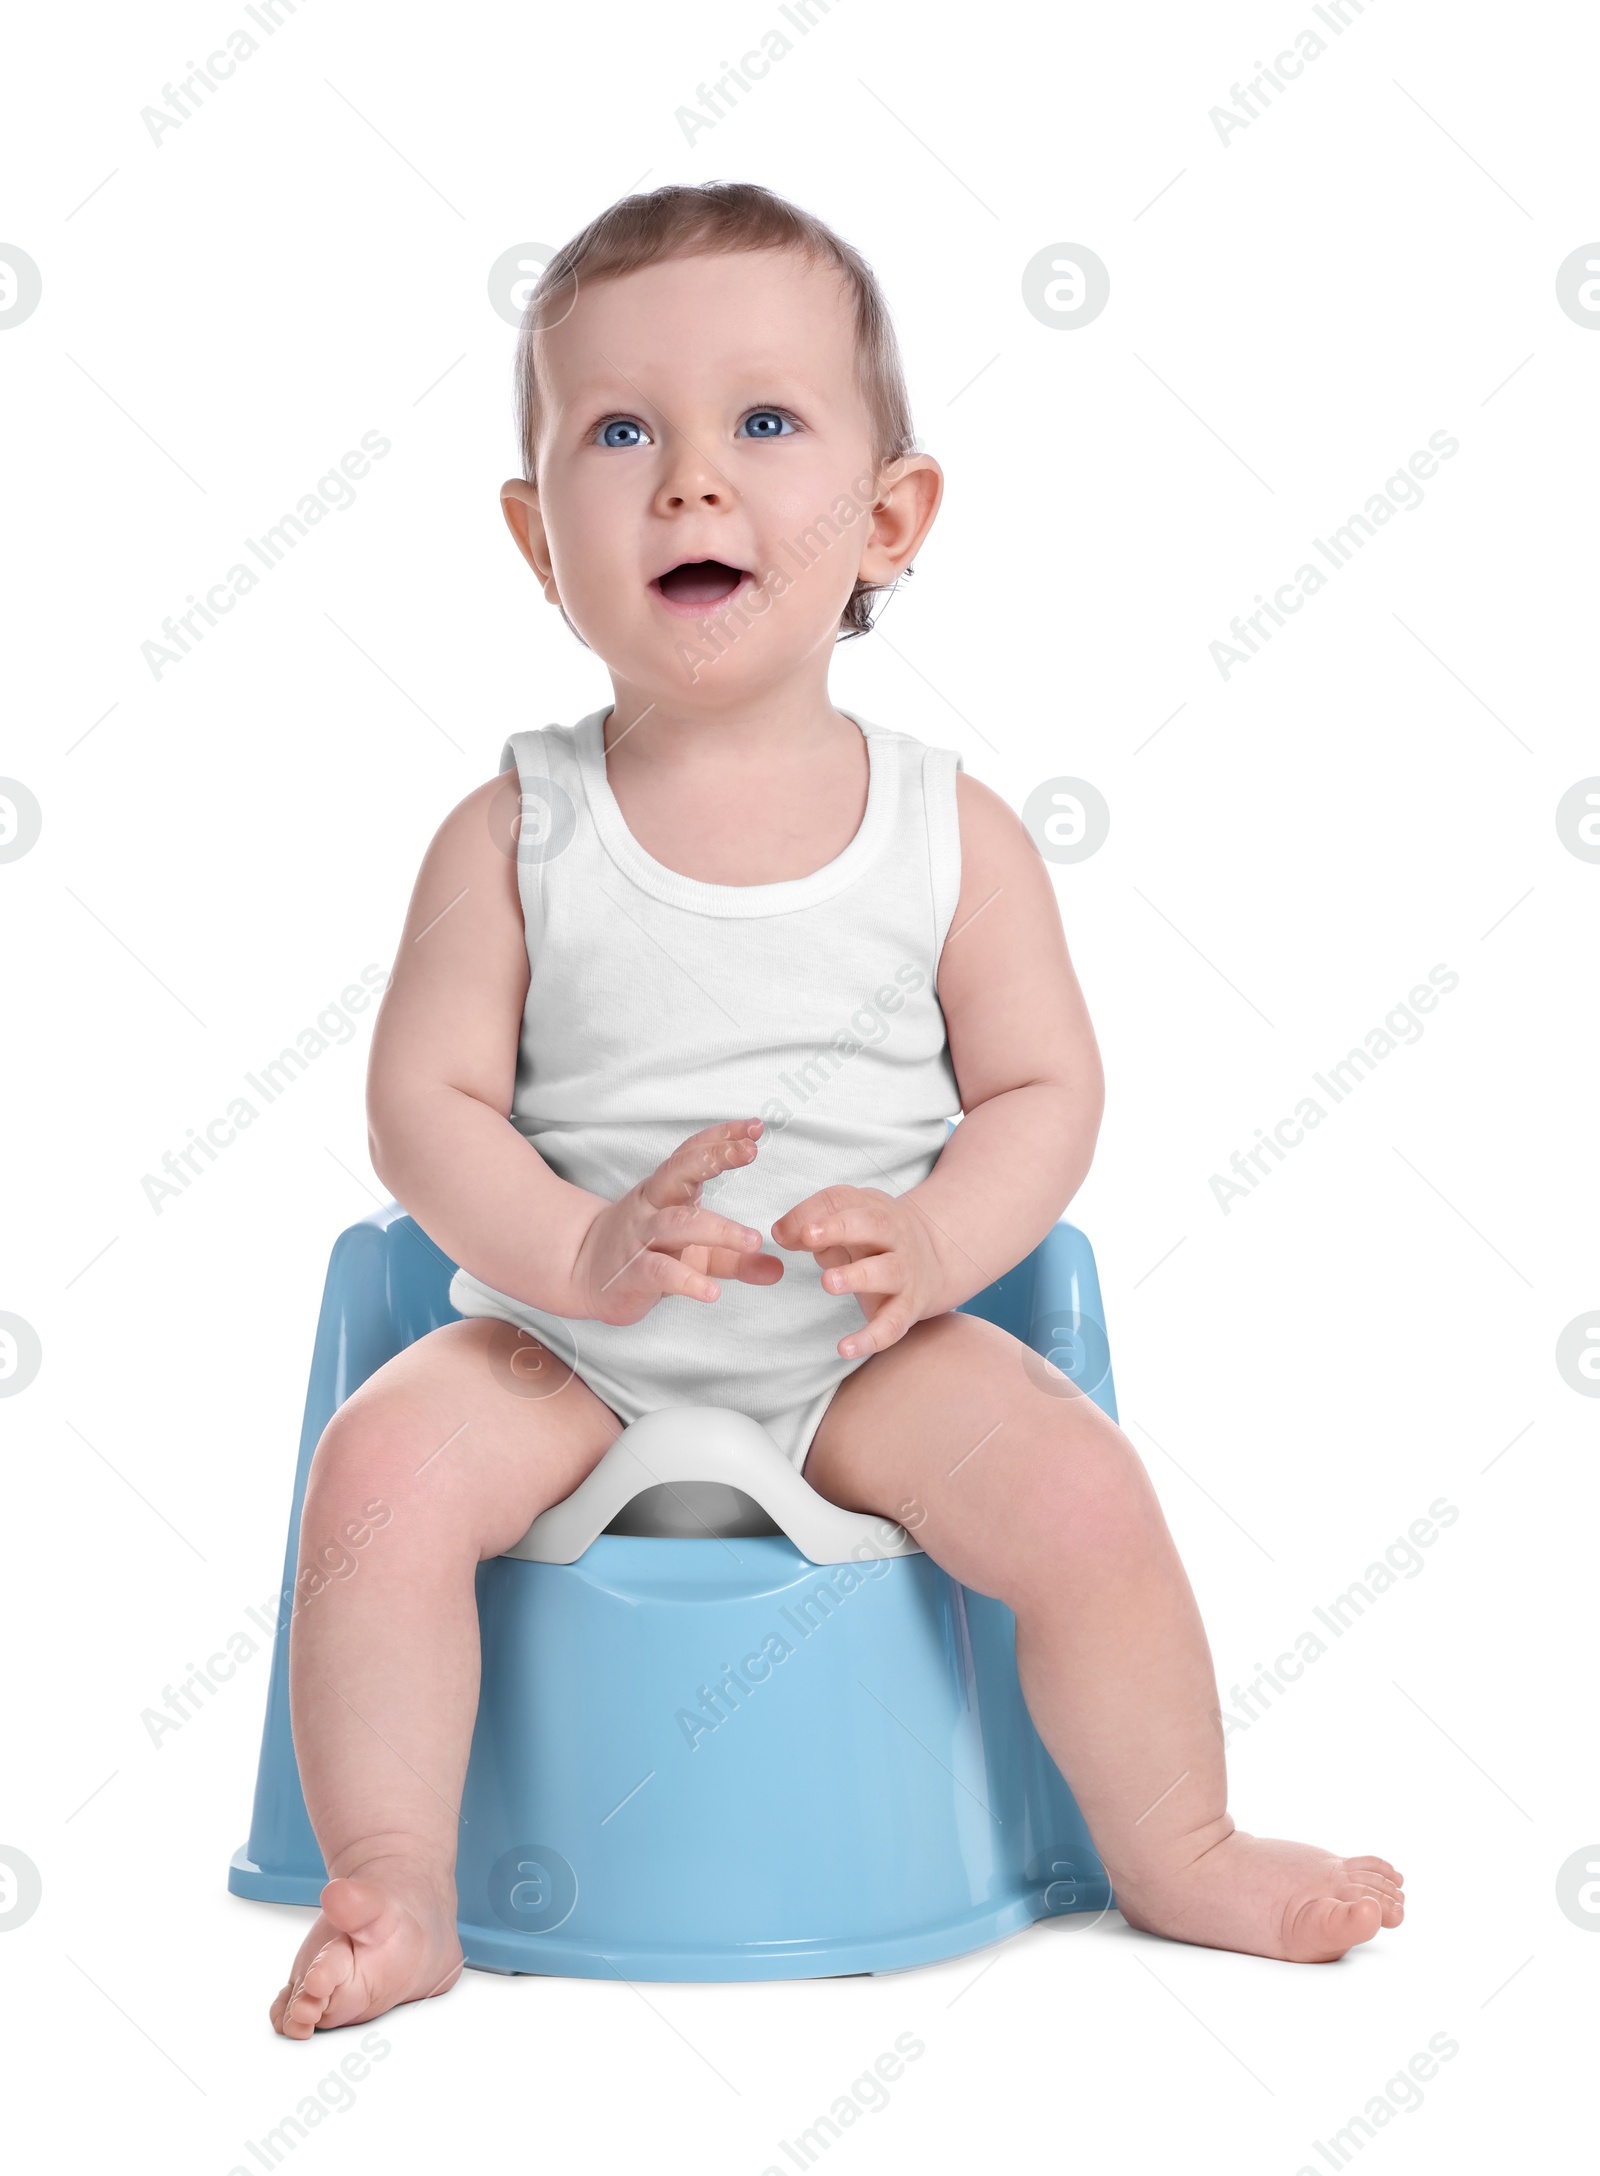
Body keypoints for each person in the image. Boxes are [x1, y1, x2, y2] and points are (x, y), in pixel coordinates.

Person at [271, 181, 1403, 2038]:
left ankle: (1177, 1842)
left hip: (871, 1351)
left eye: (764, 423)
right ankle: (396, 1882)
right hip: (567, 1347)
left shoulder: (948, 830)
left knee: (1081, 1499)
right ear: (532, 537)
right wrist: (580, 1246)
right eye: (618, 431)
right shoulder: (513, 831)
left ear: (891, 518)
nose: (691, 481)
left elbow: (1046, 1085)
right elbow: (424, 1106)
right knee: (378, 1482)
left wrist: (944, 1237)